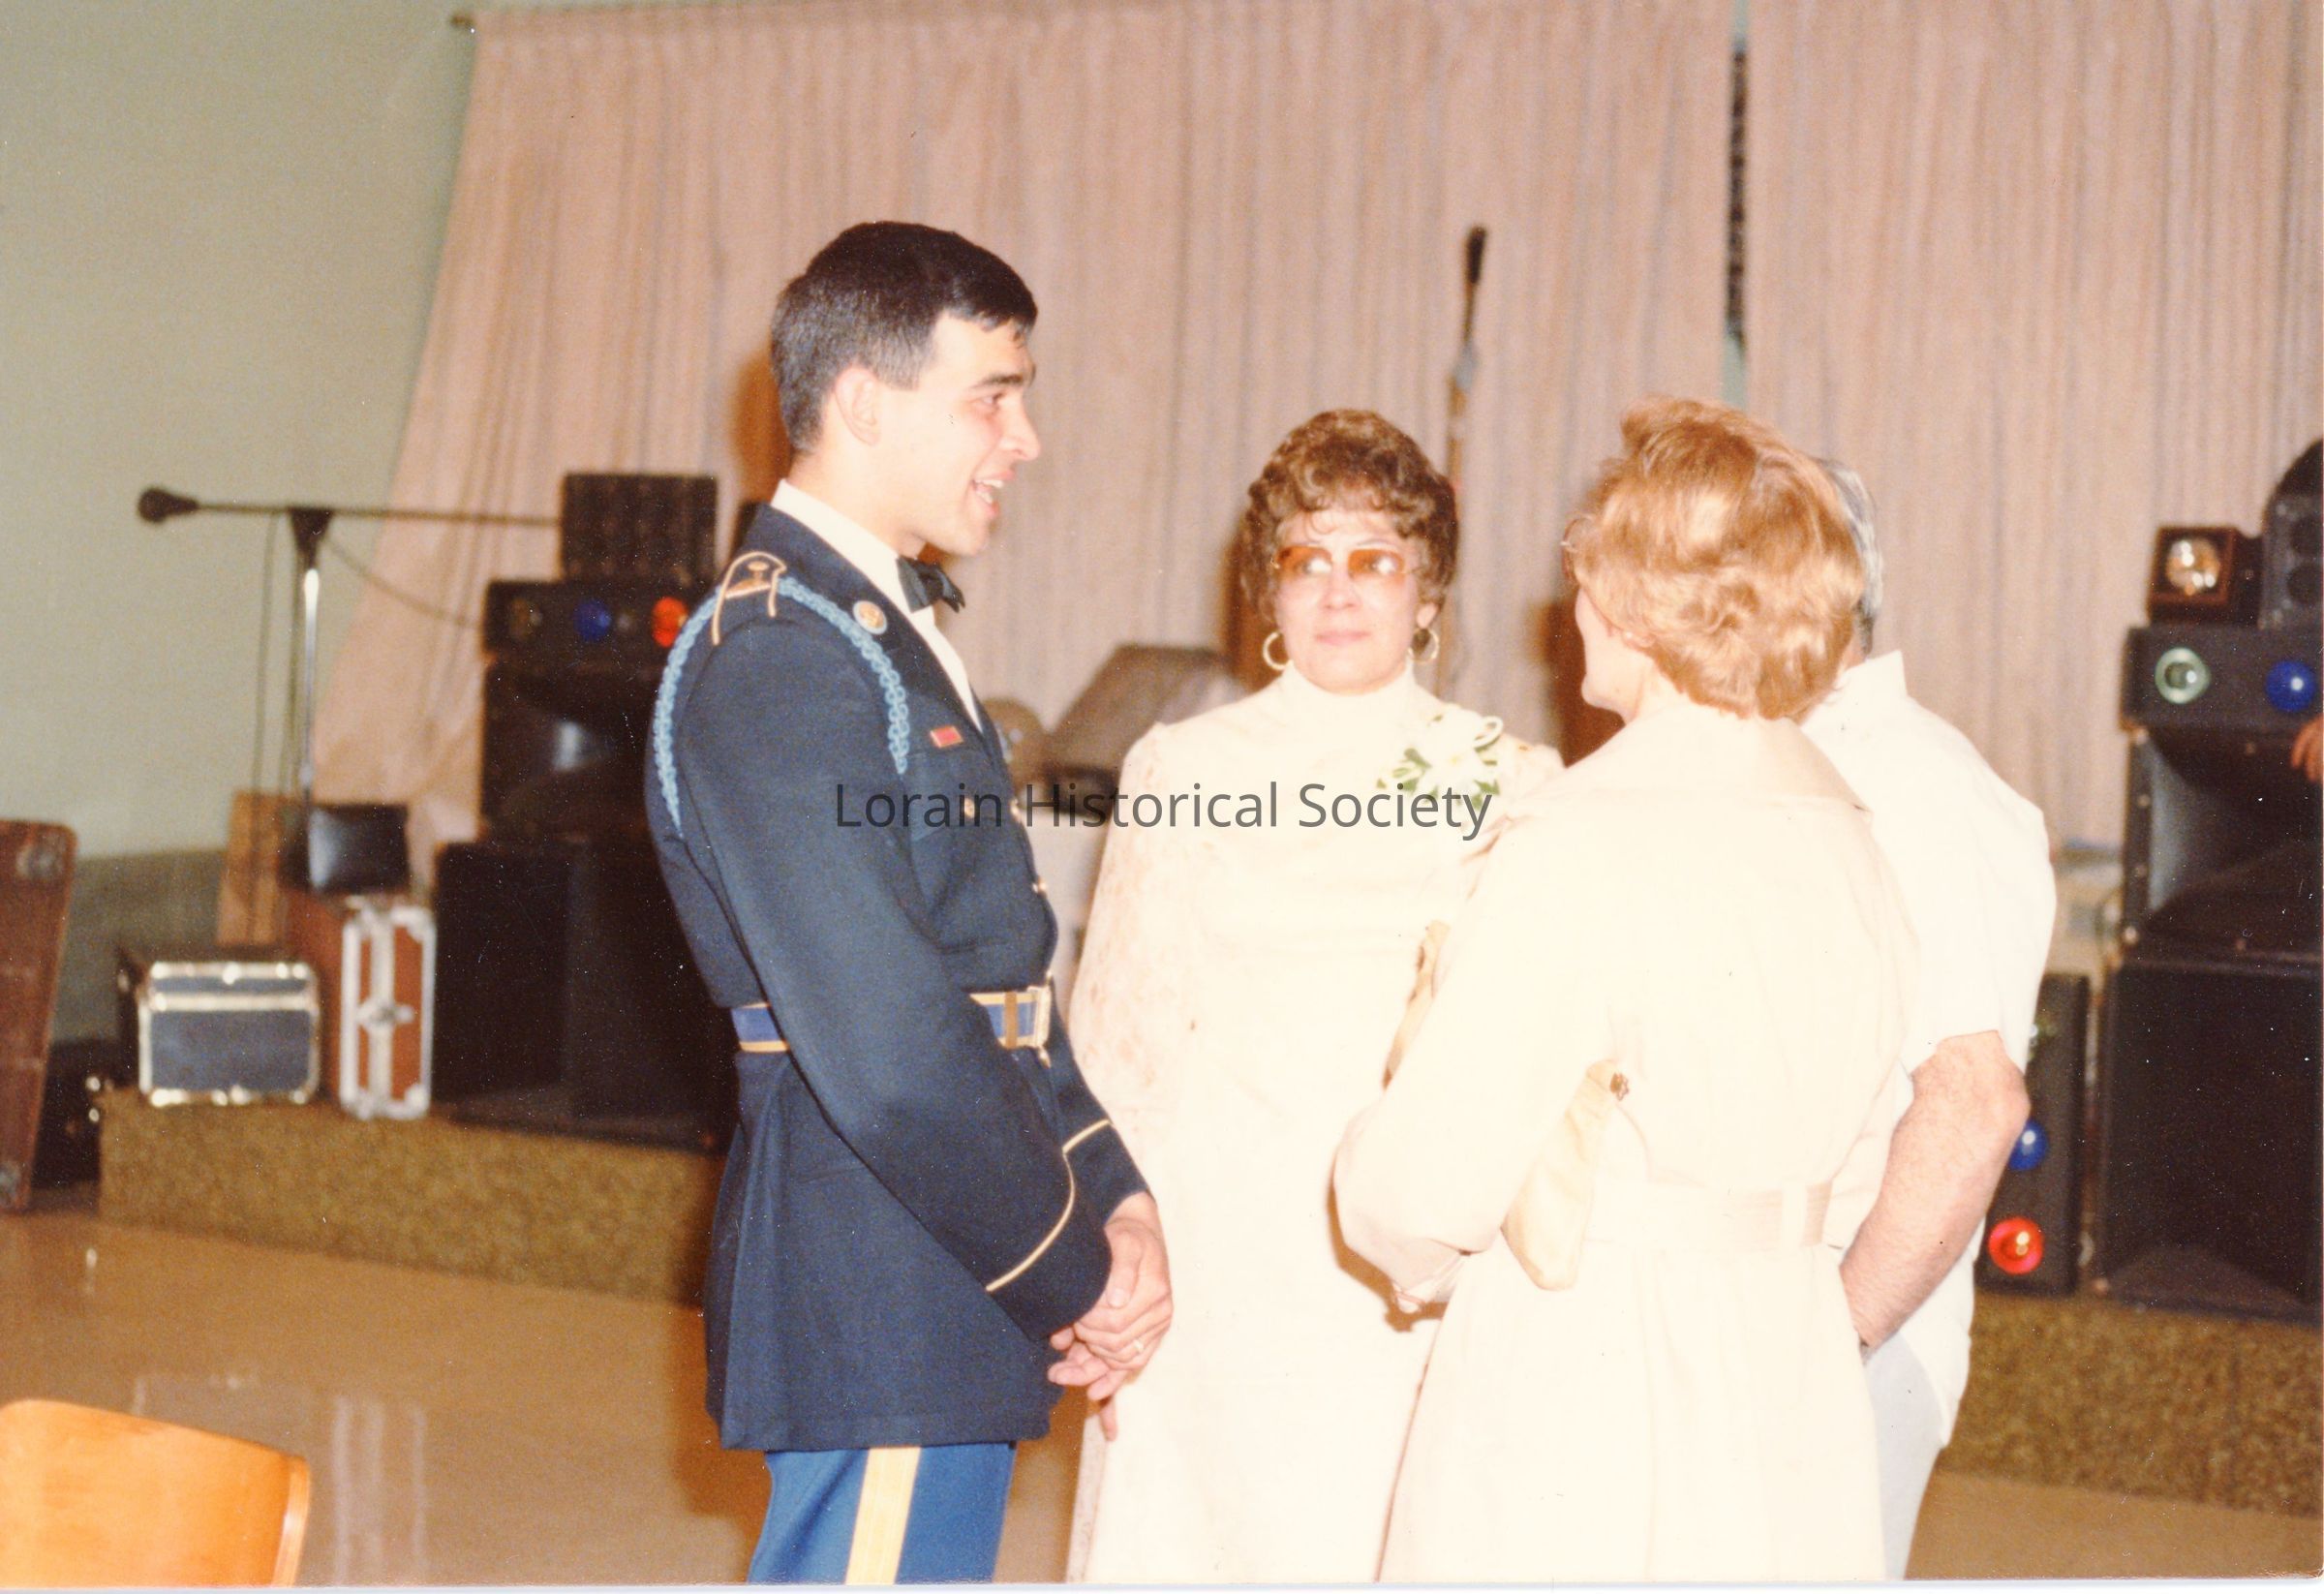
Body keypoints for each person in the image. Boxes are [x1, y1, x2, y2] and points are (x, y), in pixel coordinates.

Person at [646, 222, 1170, 1584]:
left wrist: (1112, 1189)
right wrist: (1069, 1267)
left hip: (940, 1255)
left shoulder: (872, 630)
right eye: (992, 397)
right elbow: (887, 1047)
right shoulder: (782, 657)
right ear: (866, 402)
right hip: (888, 1267)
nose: (1024, 438)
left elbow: (995, 976)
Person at [1334, 396, 1916, 1582]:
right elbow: (1864, 1152)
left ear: (1648, 606)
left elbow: (1424, 1177)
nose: (1574, 601)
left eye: (1590, 570)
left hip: (1587, 1353)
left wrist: (1408, 1245)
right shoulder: (1853, 836)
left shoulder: (1582, 836)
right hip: (1789, 1353)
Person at [1066, 410, 1560, 1582]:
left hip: (1403, 1262)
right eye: (1307, 559)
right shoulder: (1184, 766)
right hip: (1214, 1247)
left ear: (1427, 592)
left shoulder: (1508, 779)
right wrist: (1109, 1270)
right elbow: (1117, 1047)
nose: (1339, 590)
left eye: (1376, 559)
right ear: (1269, 590)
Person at [1802, 462, 2055, 1578]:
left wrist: (1828, 1344)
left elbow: (1975, 1101)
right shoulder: (1795, 766)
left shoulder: (1912, 782)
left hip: (1855, 1333)